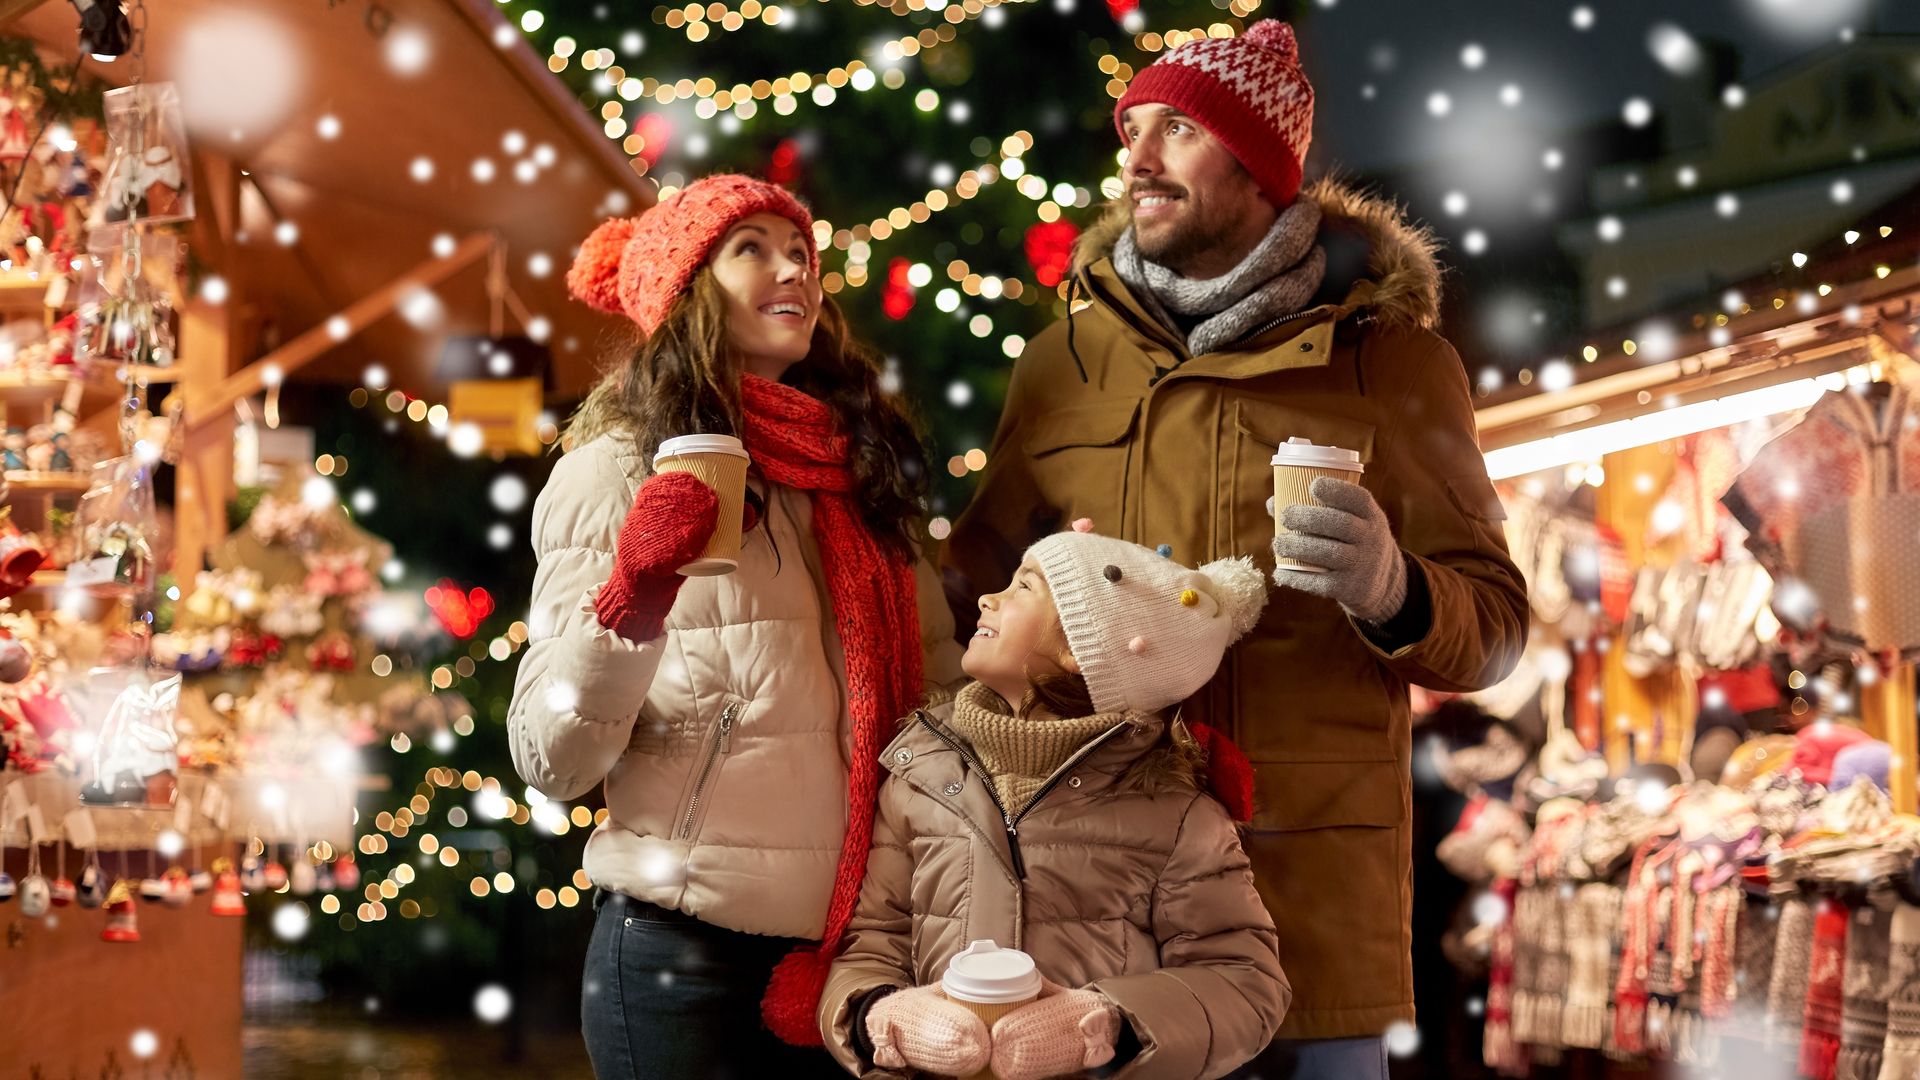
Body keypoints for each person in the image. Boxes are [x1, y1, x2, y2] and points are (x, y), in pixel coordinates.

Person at [943, 21, 1529, 1079]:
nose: (1139, 156)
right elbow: (968, 599)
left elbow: (1494, 633)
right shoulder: (1059, 365)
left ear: (1259, 167)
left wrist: (1390, 588)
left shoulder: (1390, 365)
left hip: (1307, 915)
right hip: (1101, 924)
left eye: (1179, 130)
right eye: (1133, 129)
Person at [509, 174, 963, 1078]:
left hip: (860, 960)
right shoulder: (611, 473)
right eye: (748, 248)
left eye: (799, 251)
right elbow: (549, 759)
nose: (789, 267)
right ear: (685, 294)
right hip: (685, 959)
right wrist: (633, 597)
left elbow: (941, 703)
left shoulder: (859, 471)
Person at [821, 523, 1288, 1079]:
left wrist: (1108, 1023)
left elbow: (1243, 979)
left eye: (1023, 587)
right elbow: (873, 942)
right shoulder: (919, 775)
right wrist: (881, 1015)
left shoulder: (1175, 813)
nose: (986, 597)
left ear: (1078, 648)